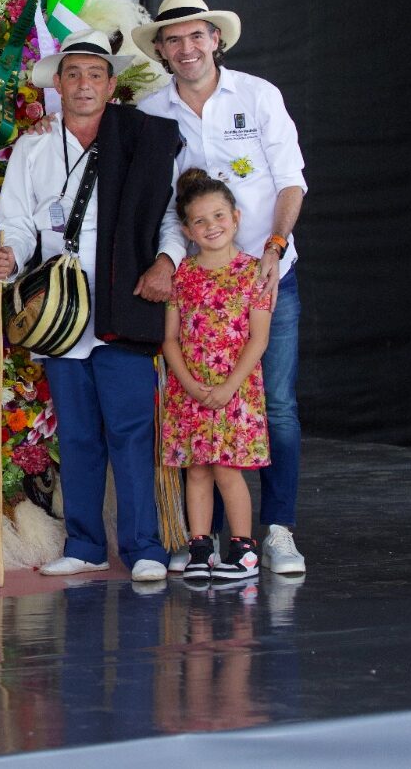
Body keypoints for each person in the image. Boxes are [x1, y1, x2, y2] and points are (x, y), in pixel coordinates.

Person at [0, 28, 186, 582]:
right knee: (75, 432)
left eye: (95, 74)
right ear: (58, 81)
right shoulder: (33, 146)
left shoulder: (142, 139)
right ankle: (85, 544)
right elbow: (19, 221)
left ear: (112, 84)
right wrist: (8, 254)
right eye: (73, 73)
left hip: (124, 297)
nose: (83, 84)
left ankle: (145, 547)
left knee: (130, 428)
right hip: (57, 307)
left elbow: (169, 215)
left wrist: (166, 261)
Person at [133, 0, 307, 575]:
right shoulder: (154, 112)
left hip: (264, 277)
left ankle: (276, 529)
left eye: (196, 35)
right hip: (200, 290)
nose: (187, 48)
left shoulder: (258, 96)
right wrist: (167, 259)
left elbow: (290, 183)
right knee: (198, 409)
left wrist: (273, 250)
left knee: (276, 406)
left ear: (216, 39)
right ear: (160, 49)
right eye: (174, 38)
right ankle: (200, 537)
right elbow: (164, 207)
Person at [162, 168, 272, 583]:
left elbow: (258, 340)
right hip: (188, 389)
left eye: (219, 216)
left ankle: (243, 551)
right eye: (201, 221)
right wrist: (190, 384)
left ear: (237, 218)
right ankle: (200, 547)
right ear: (188, 230)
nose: (212, 227)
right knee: (197, 469)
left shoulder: (254, 274)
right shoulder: (182, 276)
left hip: (236, 390)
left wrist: (227, 387)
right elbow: (170, 339)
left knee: (228, 468)